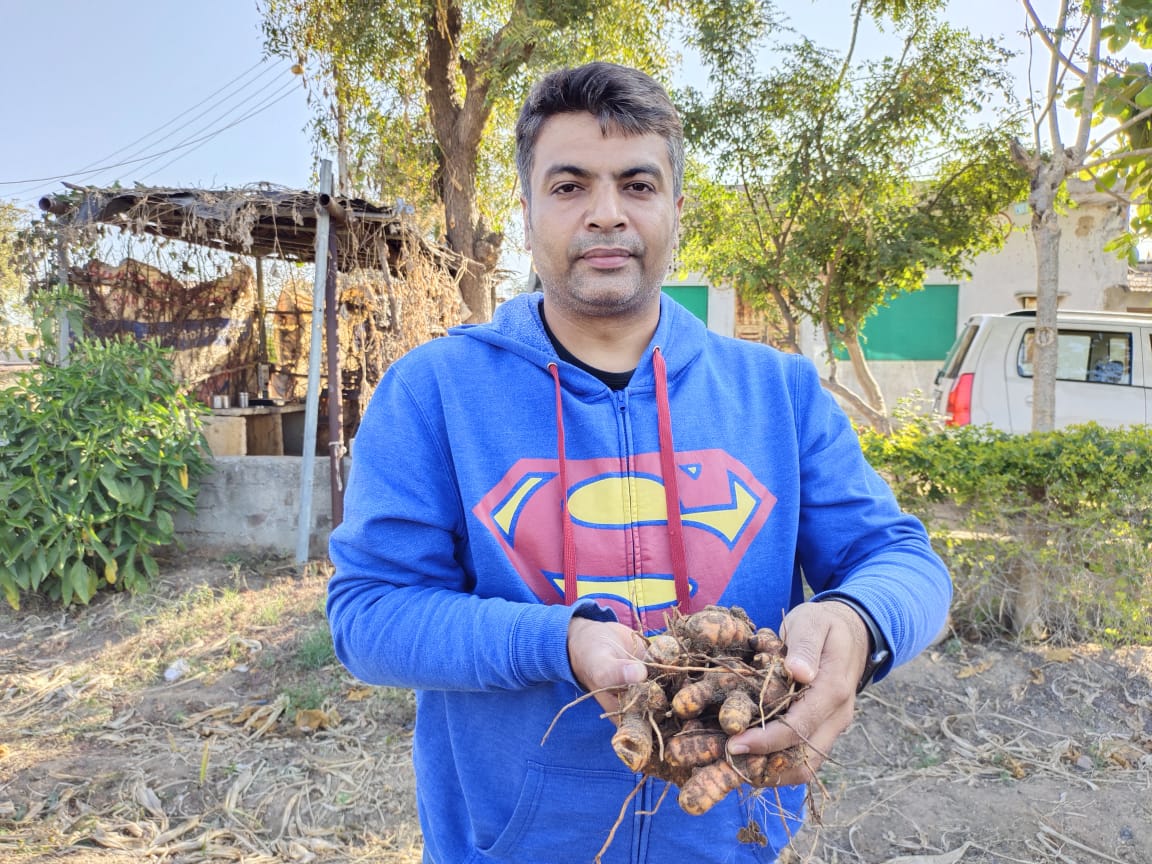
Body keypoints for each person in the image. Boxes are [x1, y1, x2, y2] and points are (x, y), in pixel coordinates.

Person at [327, 61, 952, 864]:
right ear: (525, 214)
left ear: (676, 211)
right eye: (569, 186)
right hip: (510, 846)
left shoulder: (778, 393)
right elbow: (369, 615)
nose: (606, 214)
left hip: (731, 841)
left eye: (637, 184)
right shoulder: (434, 393)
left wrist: (859, 623)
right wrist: (557, 642)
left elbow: (905, 562)